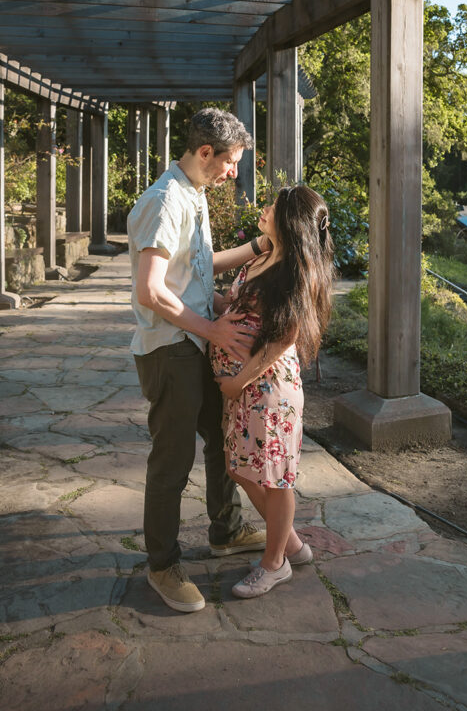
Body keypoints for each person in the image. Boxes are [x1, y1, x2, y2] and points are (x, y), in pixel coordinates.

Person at [127, 107, 270, 614]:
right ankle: (162, 564)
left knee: (222, 435)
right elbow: (150, 290)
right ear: (205, 153)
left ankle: (226, 531)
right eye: (230, 162)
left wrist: (222, 298)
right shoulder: (166, 201)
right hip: (171, 350)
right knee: (173, 458)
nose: (235, 171)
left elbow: (190, 275)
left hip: (192, 343)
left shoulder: (194, 193)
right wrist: (211, 327)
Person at [212, 184, 334, 599]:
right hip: (246, 390)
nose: (263, 209)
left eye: (272, 206)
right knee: (237, 468)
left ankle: (274, 563)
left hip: (267, 390)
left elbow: (284, 339)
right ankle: (293, 545)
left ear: (289, 220)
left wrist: (237, 381)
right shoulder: (263, 257)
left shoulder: (298, 271)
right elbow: (226, 302)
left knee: (276, 478)